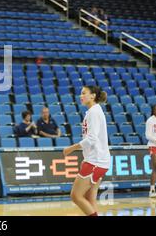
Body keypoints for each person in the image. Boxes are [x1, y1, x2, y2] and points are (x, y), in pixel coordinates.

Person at [63, 86, 110, 216]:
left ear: (93, 96)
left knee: (76, 196)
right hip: (98, 160)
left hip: (96, 161)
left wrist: (71, 148)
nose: (80, 96)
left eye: (84, 93)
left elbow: (91, 139)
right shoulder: (93, 111)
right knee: (90, 198)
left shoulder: (94, 112)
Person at [145, 104, 156, 198]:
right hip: (154, 145)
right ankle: (152, 190)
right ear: (153, 111)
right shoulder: (150, 120)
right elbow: (147, 135)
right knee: (155, 167)